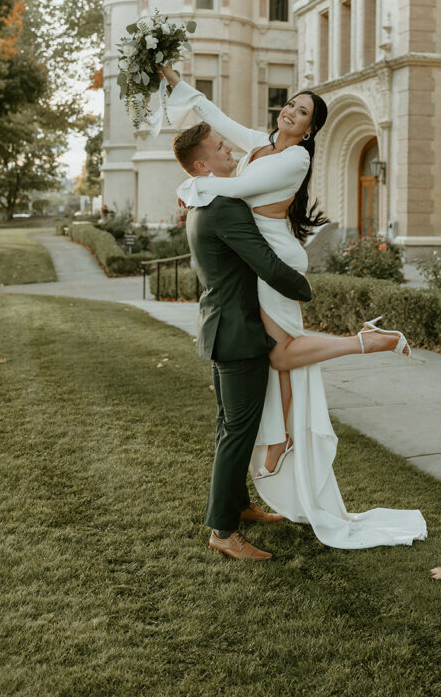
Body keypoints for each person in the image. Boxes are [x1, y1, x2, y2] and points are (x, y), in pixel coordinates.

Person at [163, 67, 427, 551]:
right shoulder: (264, 144)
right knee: (280, 355)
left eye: (302, 111)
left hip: (276, 259)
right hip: (263, 258)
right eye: (291, 104)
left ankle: (359, 350)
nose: (290, 110)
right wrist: (181, 88)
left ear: (310, 130)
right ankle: (281, 440)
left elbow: (235, 189)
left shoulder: (293, 160)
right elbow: (220, 121)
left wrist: (190, 188)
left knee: (283, 354)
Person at [172, 120, 313, 561]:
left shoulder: (201, 203)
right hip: (239, 335)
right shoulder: (224, 209)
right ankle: (223, 531)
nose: (231, 152)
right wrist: (304, 287)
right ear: (202, 164)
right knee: (237, 433)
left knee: (228, 428)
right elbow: (266, 264)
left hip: (220, 328)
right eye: (220, 148)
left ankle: (236, 506)